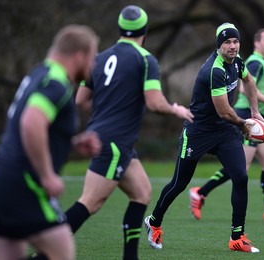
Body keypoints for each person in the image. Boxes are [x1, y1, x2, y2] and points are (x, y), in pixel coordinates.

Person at [60, 5, 194, 260]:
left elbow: (80, 99)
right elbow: (154, 102)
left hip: (112, 140)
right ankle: (45, 252)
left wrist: (103, 117)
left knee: (141, 192)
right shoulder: (145, 59)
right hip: (114, 141)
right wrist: (176, 109)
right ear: (144, 30)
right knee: (90, 202)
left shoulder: (99, 58)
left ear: (121, 28)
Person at [144, 22, 264, 254]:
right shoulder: (215, 70)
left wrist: (255, 112)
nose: (232, 46)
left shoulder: (238, 61)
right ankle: (154, 221)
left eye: (235, 41)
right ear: (219, 45)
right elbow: (223, 111)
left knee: (240, 177)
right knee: (180, 183)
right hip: (198, 131)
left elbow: (249, 81)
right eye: (227, 42)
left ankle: (237, 238)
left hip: (224, 131)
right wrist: (244, 125)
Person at [0, 25, 100, 260]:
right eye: (93, 57)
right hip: (24, 182)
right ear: (79, 55)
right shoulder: (56, 83)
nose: (93, 66)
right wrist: (47, 174)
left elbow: (32, 127)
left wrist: (70, 143)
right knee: (61, 251)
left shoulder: (38, 75)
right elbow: (31, 122)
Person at [189, 28, 264, 223]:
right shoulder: (255, 62)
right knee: (242, 167)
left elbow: (259, 89)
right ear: (256, 44)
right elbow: (245, 86)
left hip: (260, 119)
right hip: (246, 117)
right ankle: (200, 193)